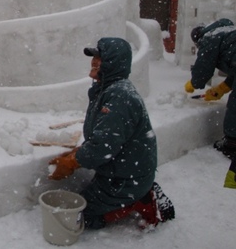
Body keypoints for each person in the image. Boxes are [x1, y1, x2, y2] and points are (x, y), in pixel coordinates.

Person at [48, 37, 174, 229]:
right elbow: (104, 137)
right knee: (80, 205)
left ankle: (139, 200)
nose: (94, 61)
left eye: (100, 58)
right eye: (94, 57)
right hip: (119, 172)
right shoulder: (108, 89)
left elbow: (104, 146)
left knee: (78, 219)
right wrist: (76, 154)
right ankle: (139, 192)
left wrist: (73, 162)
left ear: (114, 64)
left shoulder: (120, 96)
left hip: (125, 179)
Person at [186, 18, 236, 188]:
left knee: (235, 106)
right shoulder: (227, 32)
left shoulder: (209, 38)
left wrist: (193, 84)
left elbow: (203, 67)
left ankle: (231, 143)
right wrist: (221, 89)